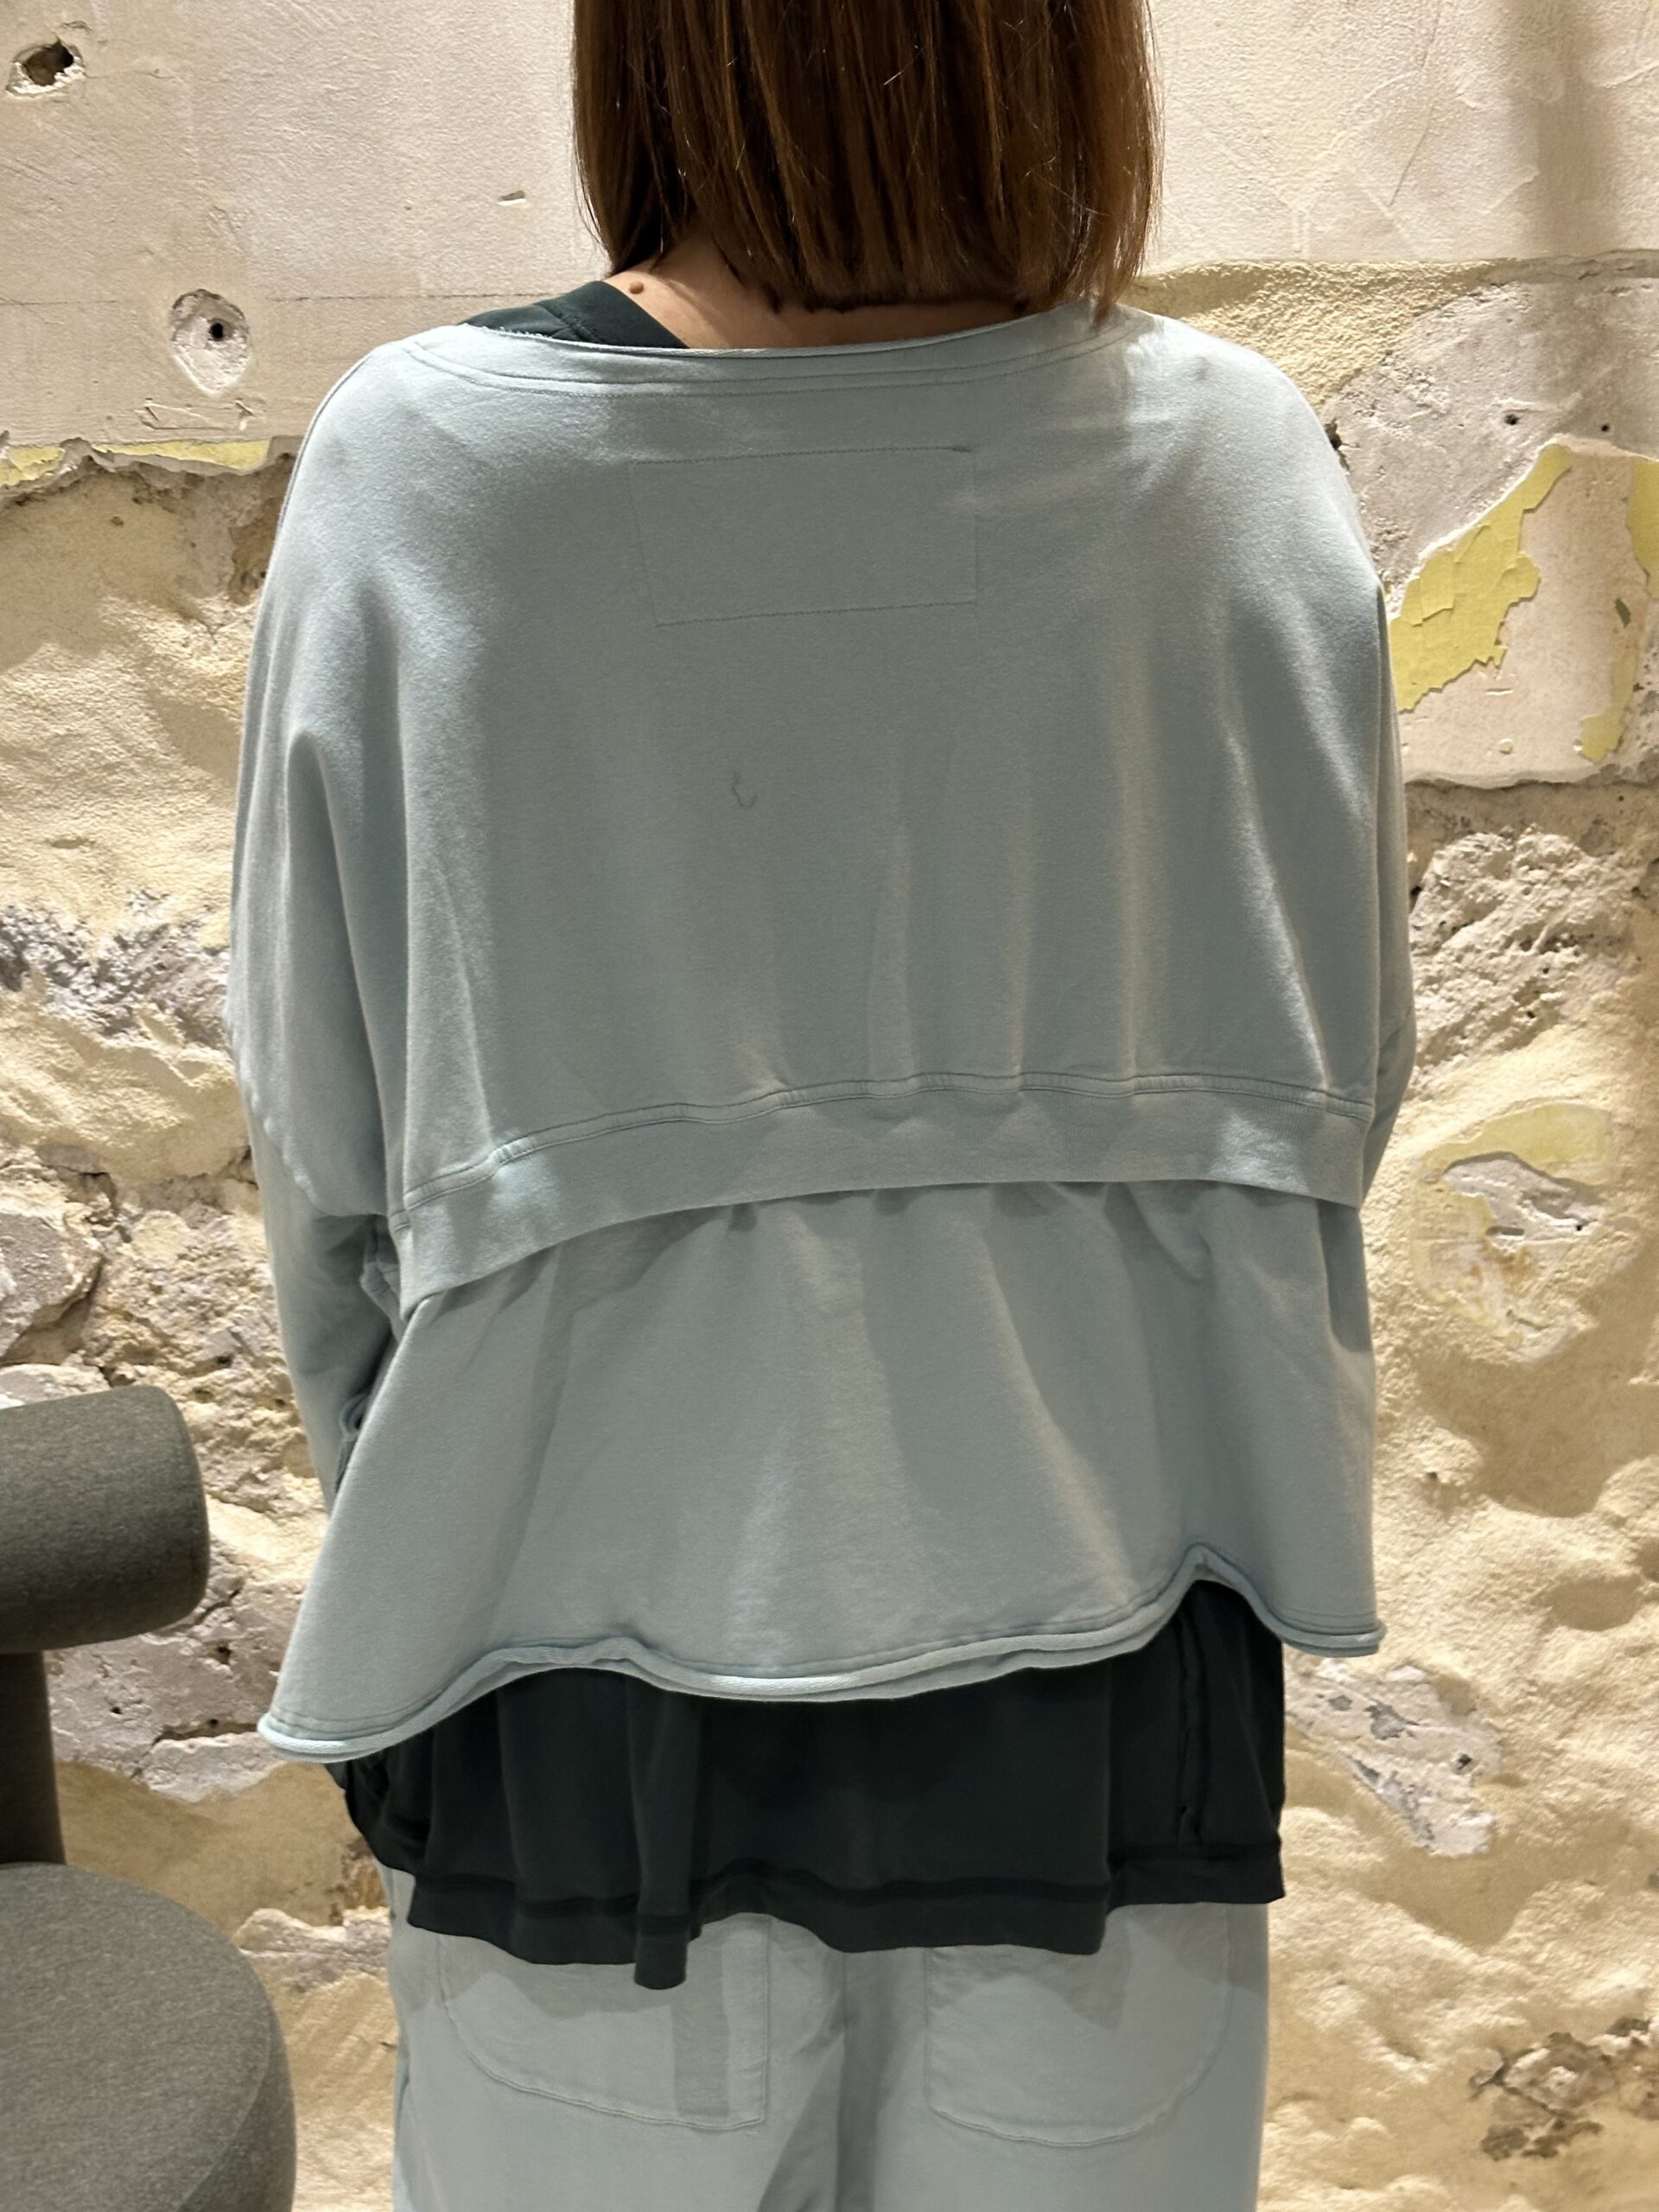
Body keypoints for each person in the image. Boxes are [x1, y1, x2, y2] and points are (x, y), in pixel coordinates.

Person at [226, 4, 1416, 2207]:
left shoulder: (432, 467)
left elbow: (329, 1164)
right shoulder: (1231, 461)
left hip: (572, 1668)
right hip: (1111, 1650)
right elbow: (1335, 1091)